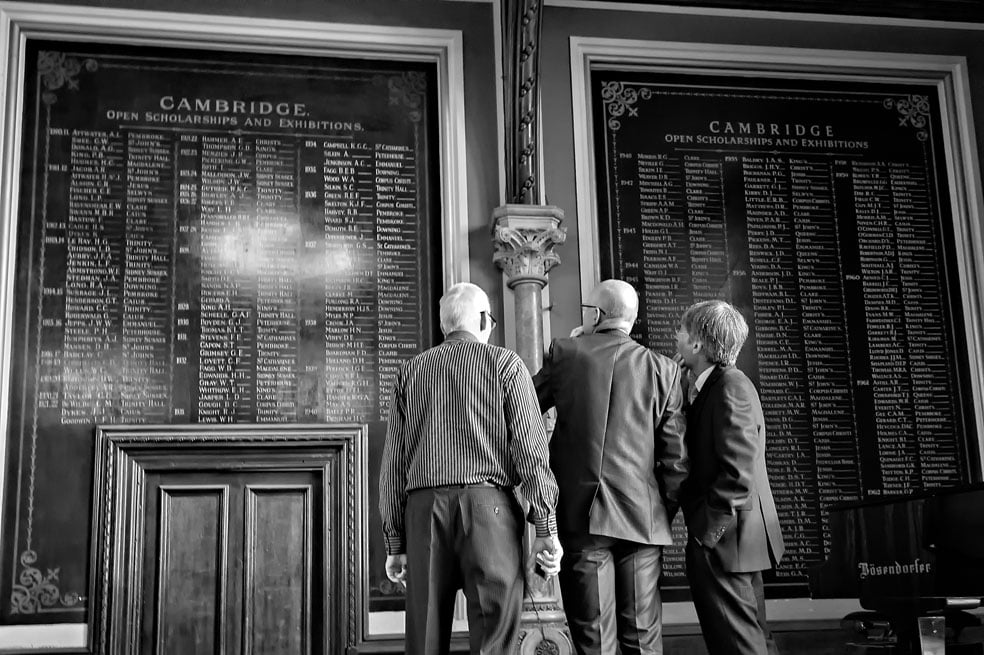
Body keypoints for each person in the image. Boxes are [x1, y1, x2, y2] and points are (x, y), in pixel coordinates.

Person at [378, 282, 563, 655]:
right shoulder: (507, 365)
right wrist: (545, 527)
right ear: (481, 319)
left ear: (446, 325)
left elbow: (393, 465)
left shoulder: (408, 373)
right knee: (494, 639)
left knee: (424, 641)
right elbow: (531, 451)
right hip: (488, 512)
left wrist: (395, 541)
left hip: (423, 511)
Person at [532, 279, 688, 655]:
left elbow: (525, 410)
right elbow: (676, 461)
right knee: (643, 640)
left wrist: (574, 345)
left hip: (583, 518)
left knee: (593, 641)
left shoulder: (566, 353)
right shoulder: (665, 370)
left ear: (597, 315)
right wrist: (658, 512)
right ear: (631, 320)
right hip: (643, 521)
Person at [674, 300, 785, 655]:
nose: (675, 337)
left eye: (681, 330)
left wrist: (708, 533)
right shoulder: (715, 383)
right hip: (736, 542)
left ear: (696, 344)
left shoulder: (730, 386)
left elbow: (738, 472)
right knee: (752, 642)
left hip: (726, 543)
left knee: (738, 647)